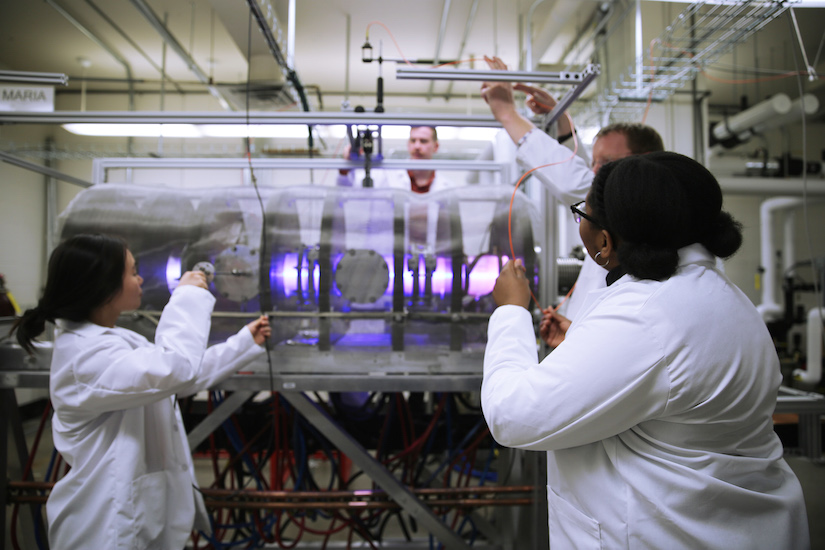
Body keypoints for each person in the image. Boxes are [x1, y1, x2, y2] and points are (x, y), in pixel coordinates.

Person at [481, 152, 810, 549]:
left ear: (606, 239)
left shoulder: (645, 315)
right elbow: (661, 379)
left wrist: (510, 311)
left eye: (583, 213)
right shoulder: (726, 299)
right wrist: (583, 343)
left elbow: (512, 415)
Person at [11, 234, 272, 549]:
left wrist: (243, 343)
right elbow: (175, 367)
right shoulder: (87, 356)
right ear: (103, 286)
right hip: (104, 529)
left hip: (134, 517)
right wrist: (187, 295)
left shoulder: (113, 340)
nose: (141, 279)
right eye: (133, 272)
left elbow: (176, 379)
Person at [480, 55, 664, 326]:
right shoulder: (629, 201)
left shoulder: (641, 213)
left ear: (645, 160)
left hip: (604, 343)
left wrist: (507, 113)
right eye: (594, 163)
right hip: (586, 335)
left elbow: (568, 175)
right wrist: (561, 117)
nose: (595, 173)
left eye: (608, 163)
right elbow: (573, 169)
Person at [337, 126, 456, 193]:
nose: (417, 146)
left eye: (423, 141)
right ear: (408, 144)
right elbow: (349, 189)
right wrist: (346, 167)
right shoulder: (387, 175)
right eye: (413, 140)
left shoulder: (448, 187)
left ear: (436, 146)